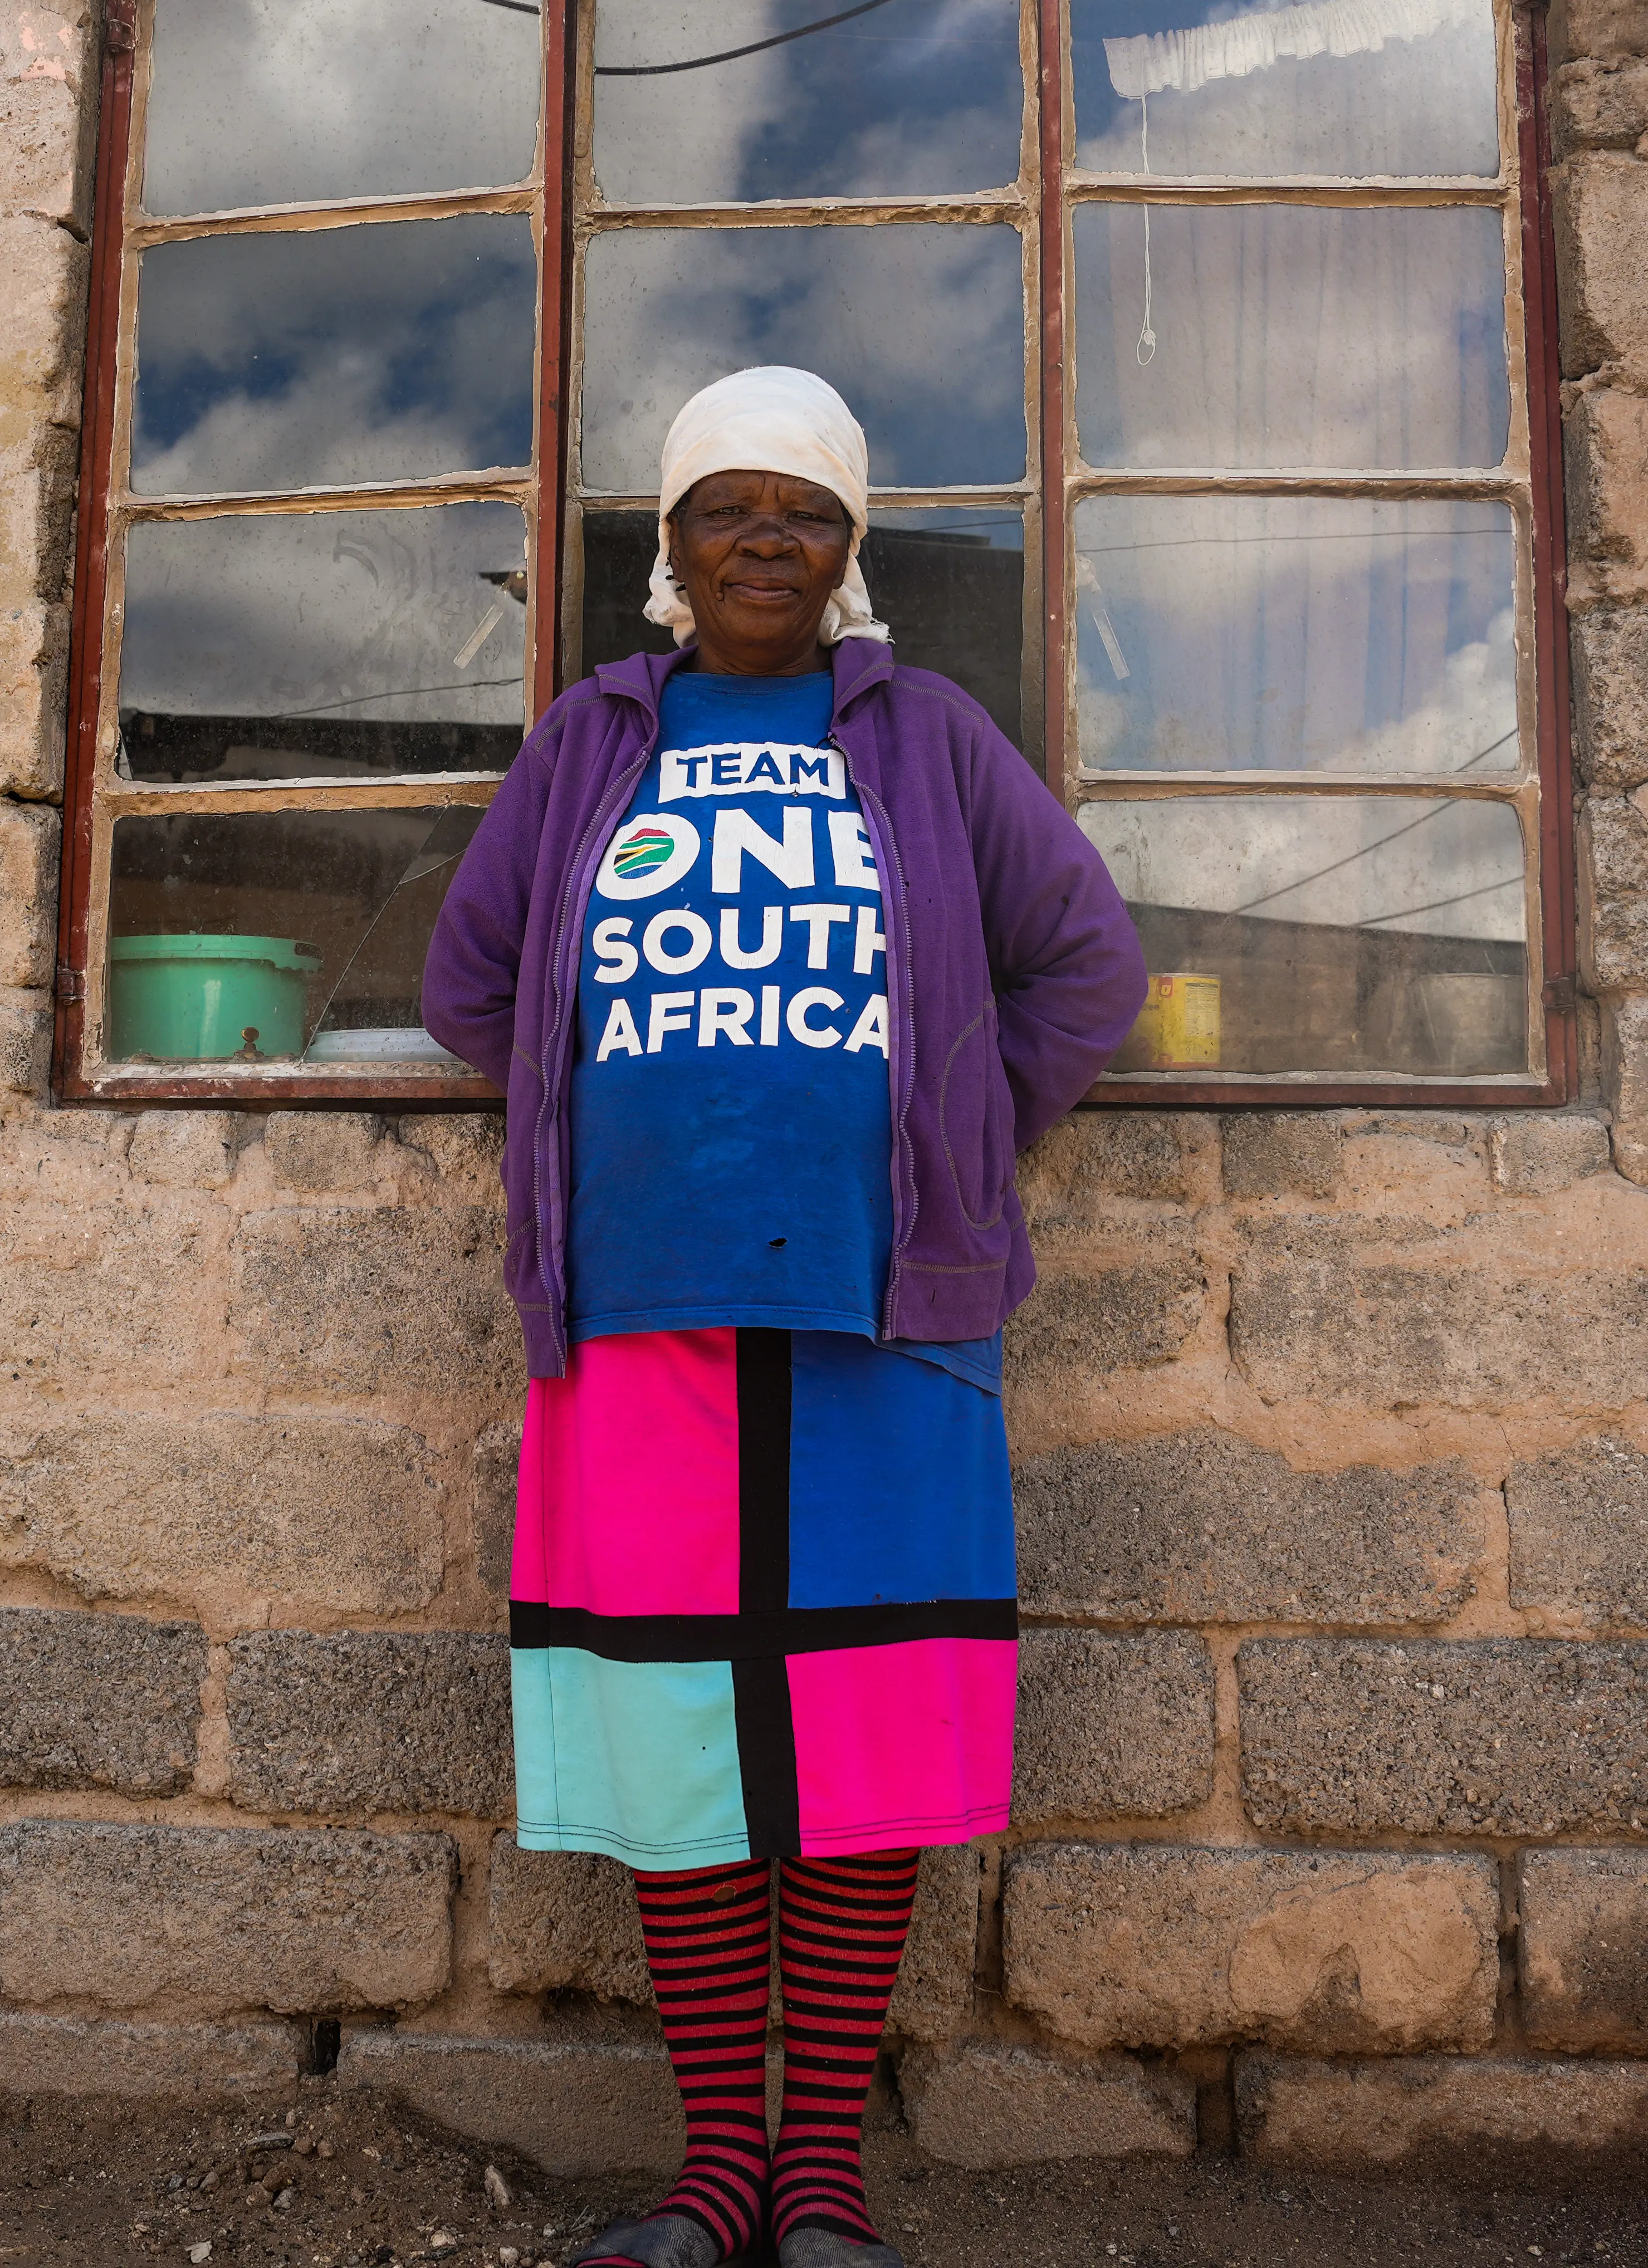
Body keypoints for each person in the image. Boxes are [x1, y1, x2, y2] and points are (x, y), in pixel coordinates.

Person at [423, 367, 1147, 2268]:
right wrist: (623, 1132)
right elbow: (472, 982)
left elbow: (1084, 963)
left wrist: (956, 1134)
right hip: (639, 1313)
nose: (767, 539)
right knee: (682, 1745)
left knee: (862, 1734)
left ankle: (817, 2181)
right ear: (666, 549)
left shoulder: (924, 736)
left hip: (889, 1312)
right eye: (726, 507)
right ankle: (713, 2180)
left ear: (851, 550)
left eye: (805, 511)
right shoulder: (594, 741)